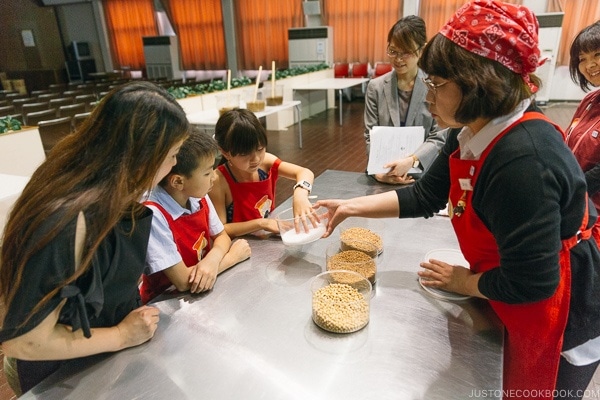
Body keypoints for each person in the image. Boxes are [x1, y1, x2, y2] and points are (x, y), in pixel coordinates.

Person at [316, 2, 600, 398]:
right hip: (506, 280)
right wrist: (347, 207)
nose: (427, 93)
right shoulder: (469, 128)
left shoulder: (523, 161)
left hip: (564, 312)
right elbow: (424, 195)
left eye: (435, 83)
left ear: (479, 83)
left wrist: (464, 280)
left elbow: (533, 282)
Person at [0, 81, 190, 395]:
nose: (174, 166)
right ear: (141, 158)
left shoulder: (113, 190)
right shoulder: (66, 219)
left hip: (104, 355)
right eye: (172, 155)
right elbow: (26, 341)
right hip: (61, 369)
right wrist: (120, 335)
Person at [140, 127, 251, 304]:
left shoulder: (197, 194)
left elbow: (221, 235)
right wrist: (231, 258)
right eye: (207, 173)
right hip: (165, 302)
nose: (214, 177)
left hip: (199, 295)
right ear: (177, 181)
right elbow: (184, 282)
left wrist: (212, 260)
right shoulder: (153, 213)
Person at [364, 15, 447, 185]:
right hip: (384, 173)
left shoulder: (434, 86)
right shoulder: (376, 87)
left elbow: (438, 136)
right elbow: (370, 135)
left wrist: (412, 161)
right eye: (393, 51)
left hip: (423, 175)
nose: (398, 59)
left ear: (421, 50)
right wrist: (378, 171)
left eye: (406, 52)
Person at [210, 108, 315, 238]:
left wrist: (300, 193)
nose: (256, 159)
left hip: (266, 239)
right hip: (240, 246)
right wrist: (262, 223)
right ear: (225, 152)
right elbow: (220, 230)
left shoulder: (266, 163)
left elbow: (304, 172)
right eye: (244, 154)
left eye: (260, 149)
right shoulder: (218, 180)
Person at [566, 21, 600, 232]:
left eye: (597, 55)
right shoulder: (589, 101)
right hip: (579, 213)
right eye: (582, 59)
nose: (590, 65)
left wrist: (569, 192)